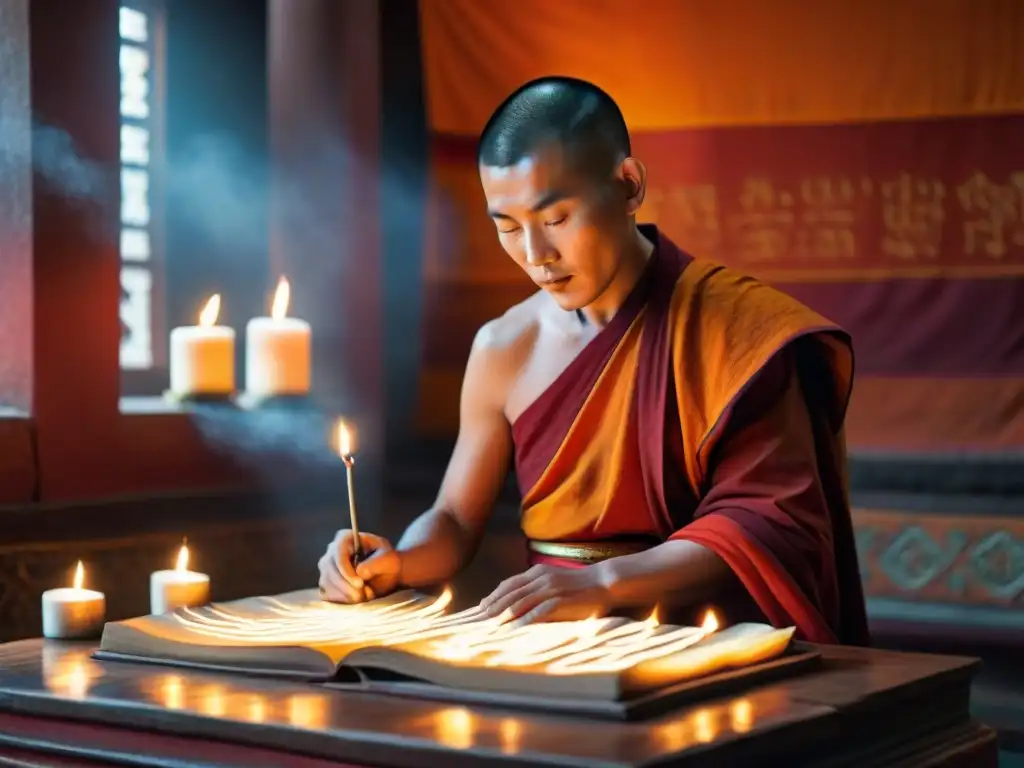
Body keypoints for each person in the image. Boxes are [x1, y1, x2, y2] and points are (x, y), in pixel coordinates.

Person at [318, 76, 870, 646]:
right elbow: (455, 520)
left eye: (555, 219)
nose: (536, 256)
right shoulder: (503, 347)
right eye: (507, 227)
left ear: (628, 185)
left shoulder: (737, 331)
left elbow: (768, 521)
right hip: (550, 641)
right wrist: (398, 562)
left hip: (702, 638)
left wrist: (604, 583)